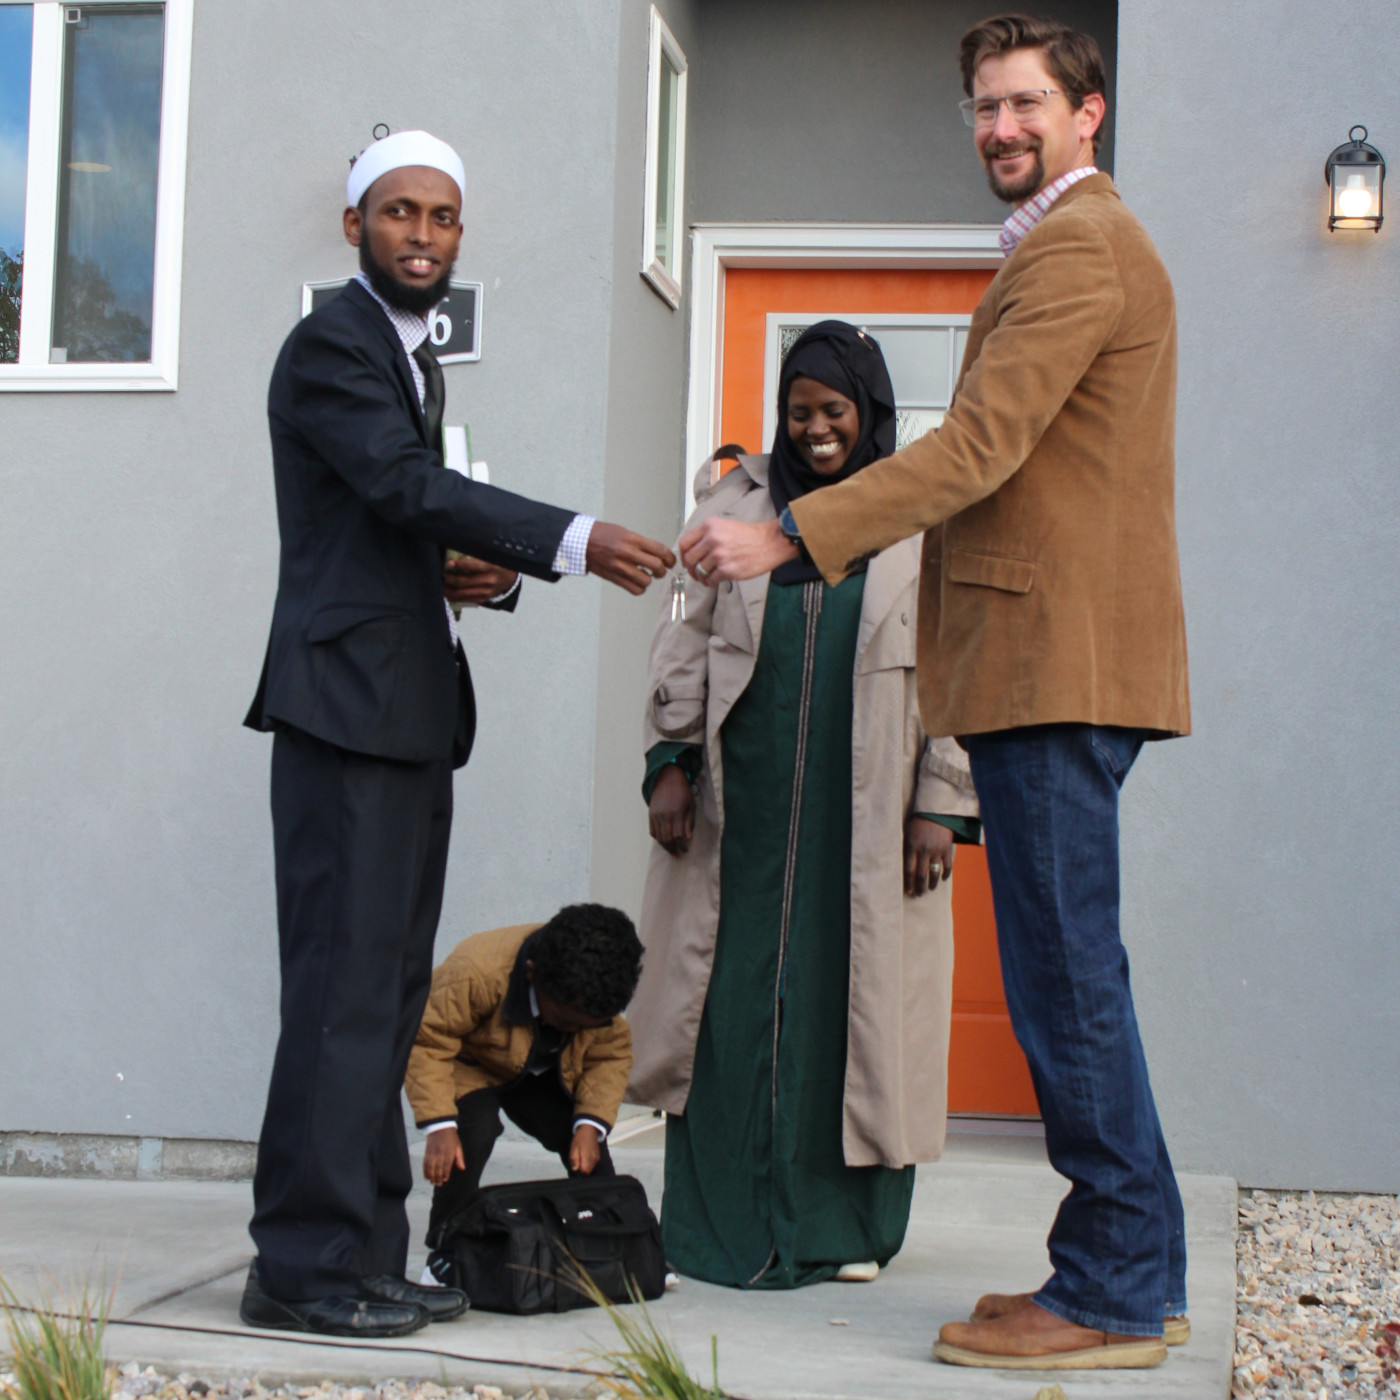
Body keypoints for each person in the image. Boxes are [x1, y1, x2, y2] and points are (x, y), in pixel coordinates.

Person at [677, 15, 1189, 1372]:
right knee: (1078, 976)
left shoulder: (1083, 246)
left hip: (1053, 666)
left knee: (1067, 985)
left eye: (1024, 103)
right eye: (982, 108)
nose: (1000, 128)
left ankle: (1115, 1288)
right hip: (1043, 665)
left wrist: (790, 535)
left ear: (1088, 114)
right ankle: (1135, 1262)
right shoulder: (1065, 246)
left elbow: (978, 446)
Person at [240, 129, 675, 1338]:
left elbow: (381, 523)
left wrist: (454, 574)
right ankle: (303, 1266)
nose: (421, 234)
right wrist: (570, 537)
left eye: (441, 217)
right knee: (339, 999)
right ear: (353, 227)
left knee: (380, 1000)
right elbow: (393, 484)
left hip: (402, 714)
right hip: (344, 718)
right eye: (398, 213)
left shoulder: (407, 359)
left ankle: (363, 1249)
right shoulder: (334, 344)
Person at [627, 322, 980, 1290]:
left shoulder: (920, 512)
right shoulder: (734, 503)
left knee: (851, 1010)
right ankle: (714, 1224)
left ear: (867, 413)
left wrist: (937, 803)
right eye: (799, 411)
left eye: (834, 410)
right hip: (733, 814)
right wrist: (669, 762)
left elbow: (954, 659)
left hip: (862, 818)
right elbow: (682, 639)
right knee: (722, 1004)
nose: (816, 428)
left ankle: (841, 1228)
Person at [406, 904, 641, 1249]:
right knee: (470, 1135)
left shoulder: (597, 995)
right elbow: (427, 1039)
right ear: (532, 974)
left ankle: (616, 1239)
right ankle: (447, 1246)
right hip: (473, 1065)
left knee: (584, 1142)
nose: (575, 1030)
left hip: (542, 1070)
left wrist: (591, 1126)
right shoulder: (476, 971)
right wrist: (438, 1125)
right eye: (566, 1022)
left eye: (585, 1026)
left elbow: (610, 1056)